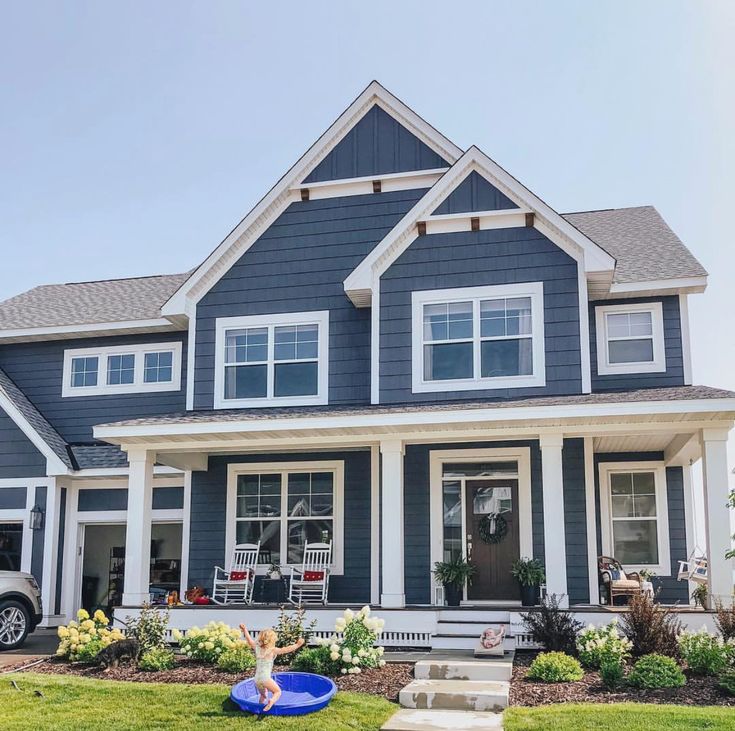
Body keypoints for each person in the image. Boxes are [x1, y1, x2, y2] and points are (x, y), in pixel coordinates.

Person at [240, 623, 304, 712]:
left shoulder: (257, 648)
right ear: (272, 641)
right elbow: (285, 649)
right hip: (265, 678)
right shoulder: (273, 650)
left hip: (257, 679)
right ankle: (271, 701)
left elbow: (249, 640)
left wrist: (245, 630)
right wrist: (297, 645)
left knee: (263, 695)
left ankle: (260, 710)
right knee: (277, 692)